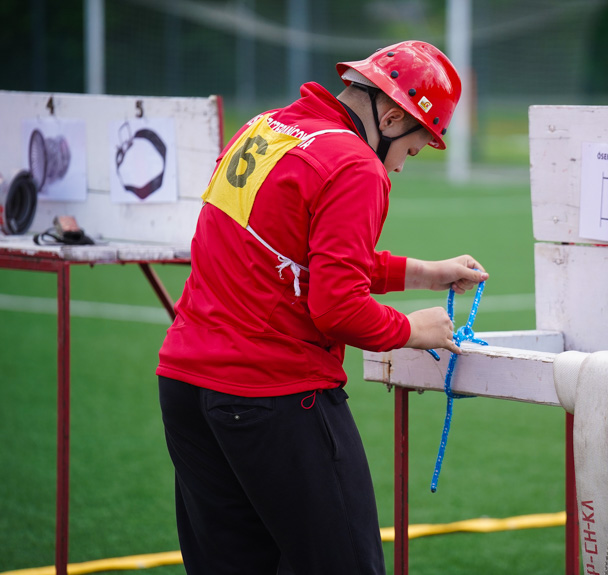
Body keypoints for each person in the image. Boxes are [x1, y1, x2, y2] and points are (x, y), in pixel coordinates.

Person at [156, 40, 488, 575]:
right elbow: (337, 307)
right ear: (391, 114)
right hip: (273, 395)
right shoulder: (355, 165)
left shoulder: (265, 128)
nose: (401, 167)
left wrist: (423, 272)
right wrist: (413, 329)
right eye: (413, 149)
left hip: (186, 388)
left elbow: (294, 254)